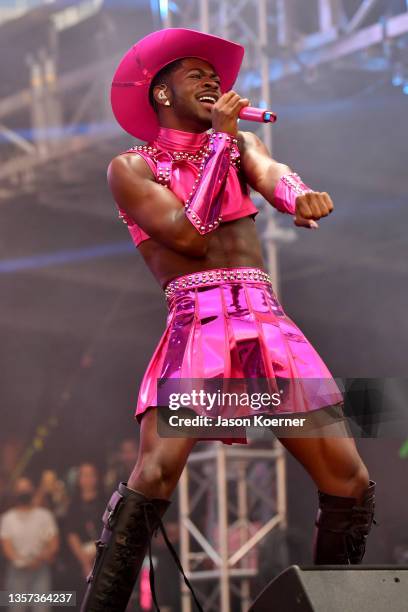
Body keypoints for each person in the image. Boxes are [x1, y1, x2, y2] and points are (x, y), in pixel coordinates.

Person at [80, 28, 376, 611]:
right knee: (158, 471)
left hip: (267, 322)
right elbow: (189, 236)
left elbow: (272, 172)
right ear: (162, 94)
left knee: (350, 479)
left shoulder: (240, 148)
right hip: (200, 322)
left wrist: (299, 196)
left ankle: (336, 604)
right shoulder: (131, 168)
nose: (213, 82)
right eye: (197, 75)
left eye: (216, 77)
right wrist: (221, 142)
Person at [0, 477, 59, 612]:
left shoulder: (45, 516)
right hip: (17, 573)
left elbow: (53, 544)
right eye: (21, 489)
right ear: (15, 492)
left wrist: (43, 556)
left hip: (41, 571)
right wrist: (24, 561)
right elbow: (7, 548)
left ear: (32, 490)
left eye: (26, 488)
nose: (24, 492)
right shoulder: (7, 519)